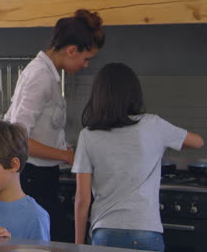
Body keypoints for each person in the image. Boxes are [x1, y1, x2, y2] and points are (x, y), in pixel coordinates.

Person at [72, 63, 204, 251]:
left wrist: (78, 245)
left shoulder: (88, 135)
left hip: (104, 233)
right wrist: (165, 141)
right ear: (134, 94)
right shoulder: (153, 125)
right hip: (145, 232)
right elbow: (198, 142)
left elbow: (82, 199)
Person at [3, 9, 105, 239]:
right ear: (71, 50)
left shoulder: (47, 73)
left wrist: (64, 149)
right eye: (86, 58)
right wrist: (66, 156)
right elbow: (17, 139)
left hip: (41, 175)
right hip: (32, 176)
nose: (86, 64)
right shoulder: (41, 76)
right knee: (57, 240)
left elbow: (43, 129)